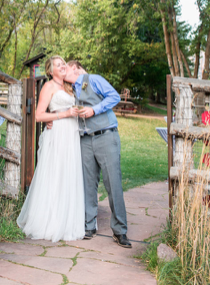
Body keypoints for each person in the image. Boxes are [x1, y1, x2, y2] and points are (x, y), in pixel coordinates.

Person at [16, 56, 85, 242]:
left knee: (68, 176)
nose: (62, 66)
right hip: (58, 136)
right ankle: (51, 223)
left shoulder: (69, 87)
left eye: (63, 63)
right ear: (50, 71)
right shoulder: (49, 87)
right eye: (58, 64)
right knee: (55, 176)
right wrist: (64, 114)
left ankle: (67, 223)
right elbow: (39, 115)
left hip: (71, 136)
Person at [63, 60, 131, 248]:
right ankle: (89, 226)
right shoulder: (69, 90)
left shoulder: (93, 80)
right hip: (84, 139)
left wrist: (94, 109)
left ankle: (120, 230)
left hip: (106, 135)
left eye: (65, 68)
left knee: (113, 182)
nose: (63, 71)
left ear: (75, 68)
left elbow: (114, 97)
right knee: (87, 183)